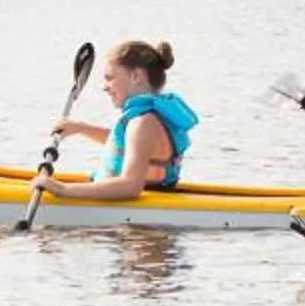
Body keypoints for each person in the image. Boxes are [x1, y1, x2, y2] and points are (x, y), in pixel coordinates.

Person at [31, 40, 199, 204]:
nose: (105, 87)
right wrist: (80, 128)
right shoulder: (150, 116)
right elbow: (127, 144)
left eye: (110, 78)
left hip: (137, 205)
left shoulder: (143, 122)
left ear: (136, 76)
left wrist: (63, 190)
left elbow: (130, 186)